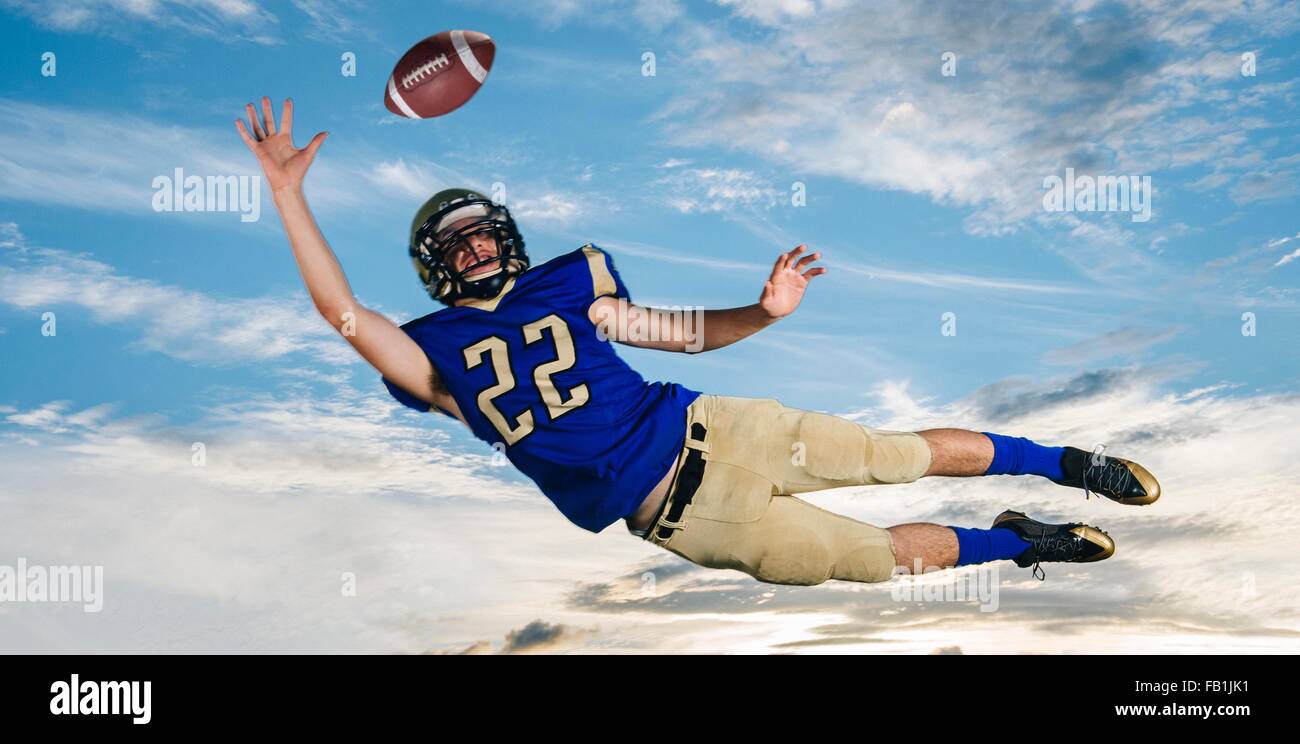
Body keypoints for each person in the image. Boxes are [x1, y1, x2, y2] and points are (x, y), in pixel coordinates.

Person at [237, 97, 1161, 585]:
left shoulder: (575, 283)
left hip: (717, 428)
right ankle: (1019, 547)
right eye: (457, 243)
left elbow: (677, 336)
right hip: (679, 517)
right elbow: (344, 316)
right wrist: (287, 194)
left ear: (507, 234)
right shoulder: (433, 355)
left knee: (894, 456)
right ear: (436, 268)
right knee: (872, 563)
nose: (476, 246)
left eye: (483, 230)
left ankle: (1066, 461)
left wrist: (763, 313)